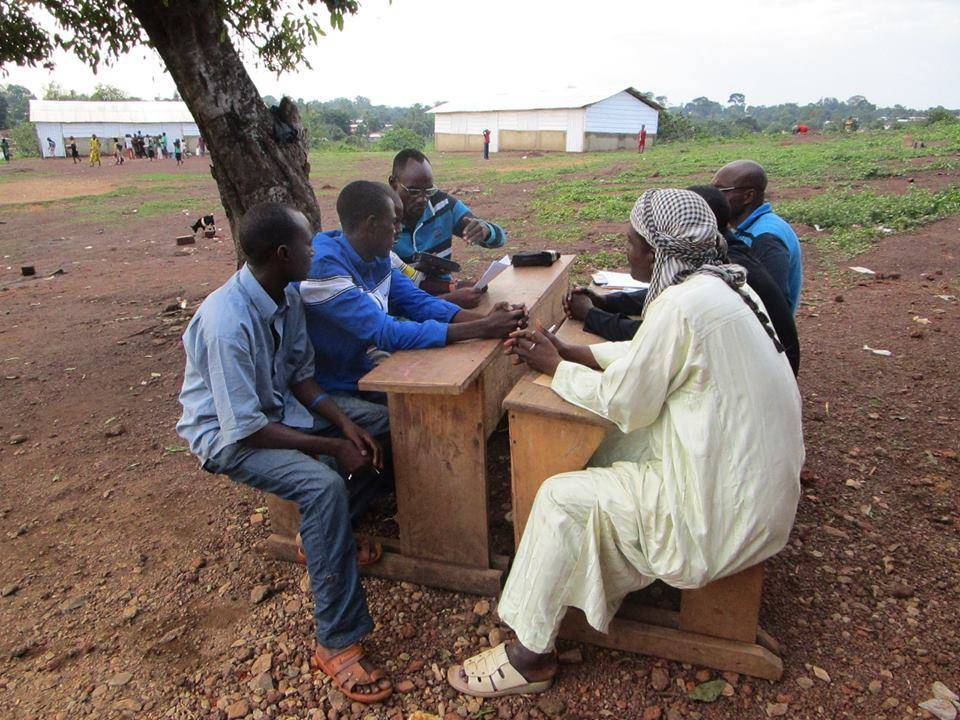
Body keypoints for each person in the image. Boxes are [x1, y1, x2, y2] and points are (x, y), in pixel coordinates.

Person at [446, 189, 804, 697]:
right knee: (613, 450)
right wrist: (573, 351)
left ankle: (530, 656)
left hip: (721, 515)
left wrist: (557, 367)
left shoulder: (682, 305)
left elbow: (629, 401)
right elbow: (648, 355)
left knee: (559, 498)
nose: (627, 251)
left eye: (633, 242)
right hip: (758, 495)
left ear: (658, 251)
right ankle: (564, 569)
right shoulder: (724, 287)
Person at [176, 201, 395, 705]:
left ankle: (324, 541)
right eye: (306, 243)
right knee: (321, 487)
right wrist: (333, 446)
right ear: (282, 253)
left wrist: (344, 425)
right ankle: (336, 642)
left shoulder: (287, 295)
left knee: (386, 427)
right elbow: (246, 428)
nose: (314, 250)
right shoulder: (226, 322)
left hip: (279, 414)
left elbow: (299, 376)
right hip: (228, 437)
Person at [299, 181, 528, 397]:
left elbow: (418, 302)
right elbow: (386, 332)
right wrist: (482, 327)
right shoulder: (325, 268)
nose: (399, 231)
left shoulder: (377, 255)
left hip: (364, 361)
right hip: (338, 385)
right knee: (431, 410)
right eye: (395, 222)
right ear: (371, 224)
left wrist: (488, 320)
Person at [565, 185, 800, 375]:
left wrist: (561, 359)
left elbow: (651, 350)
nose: (626, 251)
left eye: (631, 242)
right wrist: (607, 302)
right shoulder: (721, 264)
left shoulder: (699, 292)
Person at [389, 149, 507, 306]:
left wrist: (485, 231)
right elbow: (383, 283)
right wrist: (418, 270)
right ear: (393, 183)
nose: (422, 199)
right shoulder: (381, 221)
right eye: (414, 191)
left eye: (429, 191)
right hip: (403, 302)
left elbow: (500, 239)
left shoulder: (443, 205)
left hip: (445, 291)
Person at [712, 160, 801, 312]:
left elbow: (774, 304)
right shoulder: (746, 228)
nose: (715, 198)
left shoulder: (766, 238)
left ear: (748, 196)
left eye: (721, 191)